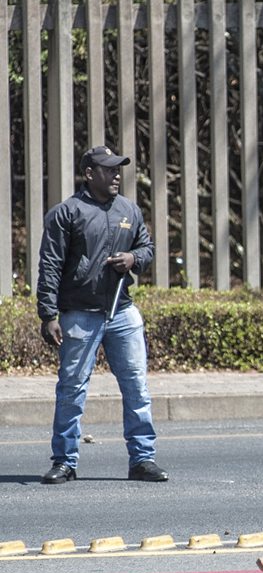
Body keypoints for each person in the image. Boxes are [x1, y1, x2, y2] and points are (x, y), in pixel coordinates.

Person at [36, 146, 167, 484]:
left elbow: (147, 248)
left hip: (122, 313)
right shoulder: (66, 213)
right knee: (72, 390)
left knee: (137, 386)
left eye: (118, 169)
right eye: (108, 170)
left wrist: (134, 259)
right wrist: (48, 313)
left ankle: (143, 459)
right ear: (89, 174)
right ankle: (65, 461)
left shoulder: (129, 210)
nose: (116, 175)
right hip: (79, 315)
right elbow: (49, 265)